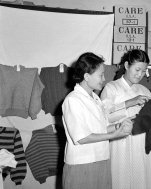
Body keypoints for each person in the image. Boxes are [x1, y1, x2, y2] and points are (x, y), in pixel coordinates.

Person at [61, 52, 133, 189]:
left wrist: (120, 126)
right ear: (86, 76)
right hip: (82, 165)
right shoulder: (73, 100)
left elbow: (103, 128)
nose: (104, 78)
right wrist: (113, 135)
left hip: (101, 160)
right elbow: (82, 137)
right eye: (100, 75)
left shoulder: (95, 98)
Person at [100, 49, 151, 189]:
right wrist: (129, 103)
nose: (140, 75)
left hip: (143, 141)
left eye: (144, 71)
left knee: (143, 177)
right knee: (121, 178)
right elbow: (104, 117)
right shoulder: (111, 87)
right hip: (121, 141)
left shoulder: (144, 90)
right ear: (126, 65)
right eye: (137, 69)